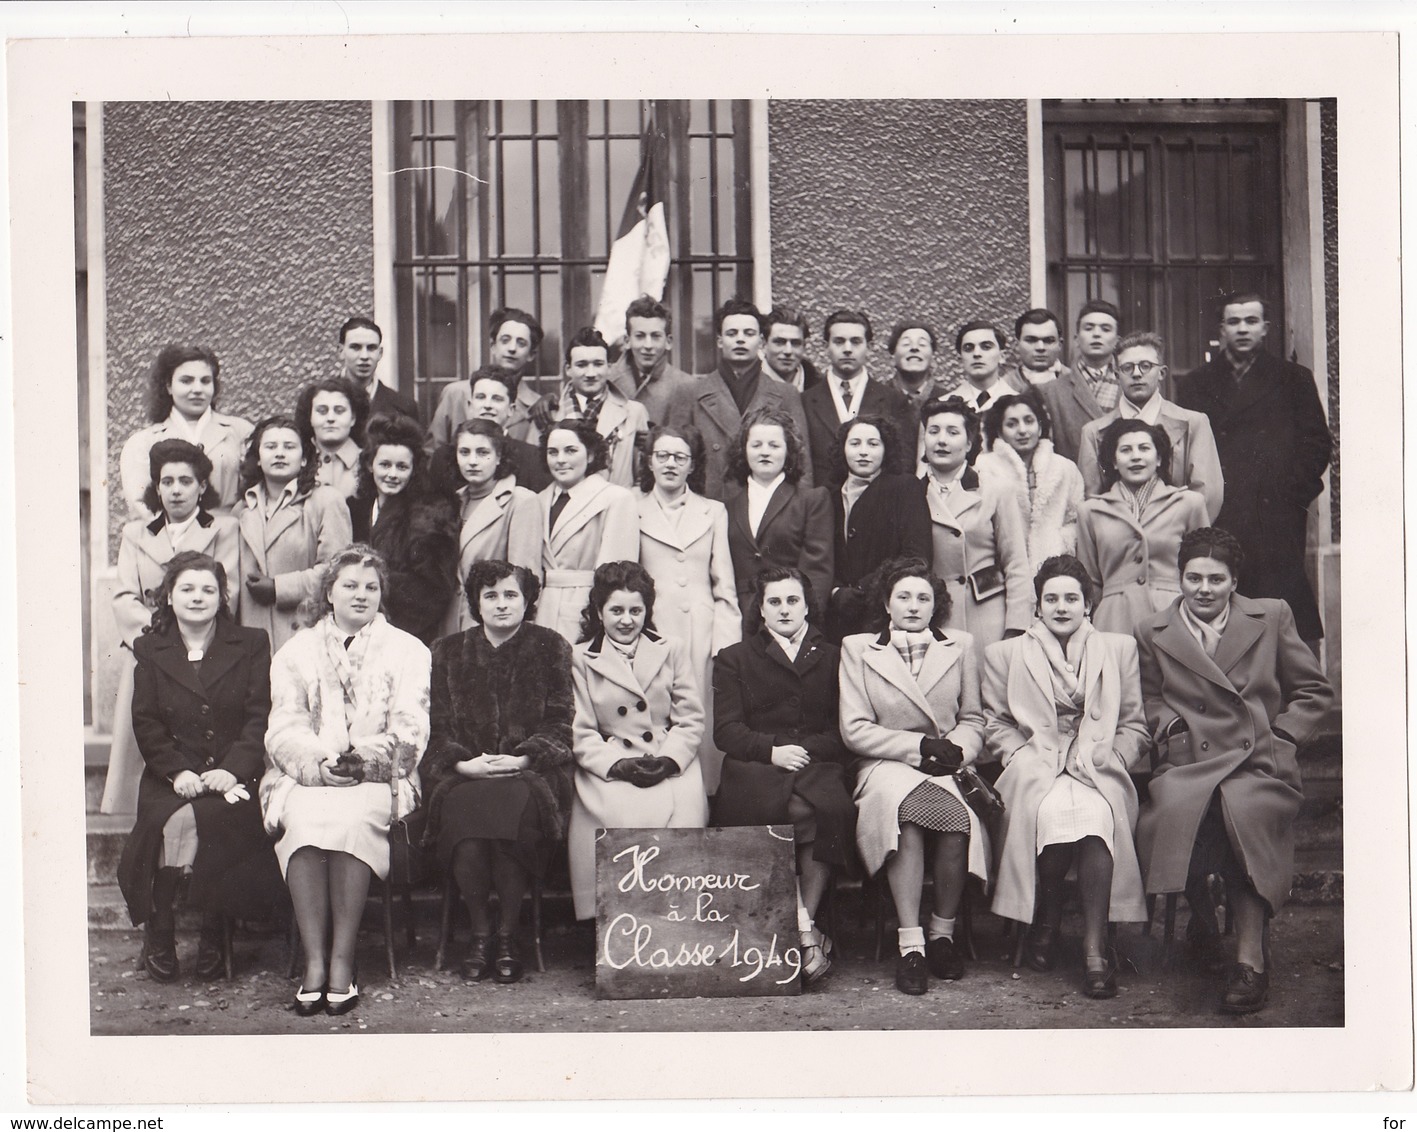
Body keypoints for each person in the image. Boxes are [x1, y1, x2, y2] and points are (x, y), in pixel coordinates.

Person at [1134, 527, 1333, 1014]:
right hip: (1189, 763)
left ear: (1234, 581)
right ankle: (1203, 922)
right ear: (1178, 577)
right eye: (1193, 577)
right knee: (1180, 817)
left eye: (1216, 580)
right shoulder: (1152, 630)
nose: (1204, 589)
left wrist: (1282, 738)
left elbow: (1313, 692)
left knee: (1240, 814)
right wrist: (1173, 727)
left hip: (1257, 762)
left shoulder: (1271, 616)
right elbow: (1149, 698)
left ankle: (1249, 960)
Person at [262, 545, 431, 1016]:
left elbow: (412, 726)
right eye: (350, 586)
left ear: (382, 595)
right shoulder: (295, 652)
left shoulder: (408, 650)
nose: (361, 595)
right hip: (310, 776)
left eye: (371, 587)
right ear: (329, 593)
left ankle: (343, 959)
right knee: (304, 819)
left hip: (381, 778)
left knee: (354, 820)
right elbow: (284, 726)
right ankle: (314, 962)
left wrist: (362, 763)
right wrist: (318, 766)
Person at [982, 555, 1150, 998]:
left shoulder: (1118, 649)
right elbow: (994, 723)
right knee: (1051, 814)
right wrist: (1020, 755)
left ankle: (1094, 947)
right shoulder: (1006, 653)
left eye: (1071, 598)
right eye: (1050, 598)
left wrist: (1111, 756)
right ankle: (1047, 918)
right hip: (1038, 767)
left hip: (1095, 768)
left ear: (1088, 605)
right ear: (1036, 607)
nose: (1061, 607)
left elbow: (1135, 724)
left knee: (1097, 820)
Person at [115, 552, 279, 982]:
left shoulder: (251, 643)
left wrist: (234, 769)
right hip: (171, 777)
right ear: (169, 596)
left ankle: (214, 929)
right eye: (187, 588)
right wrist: (177, 772)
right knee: (170, 822)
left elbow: (258, 716)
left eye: (208, 589)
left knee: (218, 822)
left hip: (232, 776)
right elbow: (146, 721)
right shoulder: (150, 649)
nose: (197, 597)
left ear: (221, 597)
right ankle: (160, 929)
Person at [839, 557, 990, 995]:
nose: (913, 605)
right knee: (905, 814)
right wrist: (918, 747)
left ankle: (942, 935)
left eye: (923, 597)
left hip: (947, 764)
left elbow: (974, 718)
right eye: (902, 596)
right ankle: (911, 945)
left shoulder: (959, 645)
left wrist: (955, 750)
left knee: (958, 820)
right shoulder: (858, 648)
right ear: (886, 604)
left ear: (935, 605)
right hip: (887, 764)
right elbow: (855, 728)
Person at [422, 561, 575, 983]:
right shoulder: (447, 651)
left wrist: (524, 758)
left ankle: (508, 935)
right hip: (465, 774)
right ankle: (480, 934)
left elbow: (562, 724)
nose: (501, 604)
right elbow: (436, 725)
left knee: (515, 816)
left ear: (528, 601)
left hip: (531, 774)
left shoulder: (552, 646)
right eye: (490, 596)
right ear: (475, 602)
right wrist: (461, 762)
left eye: (511, 595)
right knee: (467, 825)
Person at [712, 567, 856, 986]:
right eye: (774, 601)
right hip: (756, 766)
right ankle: (803, 931)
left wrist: (805, 751)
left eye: (792, 600)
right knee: (779, 810)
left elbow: (841, 729)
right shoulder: (734, 658)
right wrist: (772, 750)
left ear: (807, 605)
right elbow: (727, 731)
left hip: (815, 762)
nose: (784, 609)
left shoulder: (833, 656)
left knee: (826, 810)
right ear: (761, 609)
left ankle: (800, 922)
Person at [1173, 293, 1332, 645]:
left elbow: (1317, 443)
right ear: (1221, 329)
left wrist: (1290, 495)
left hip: (1274, 514)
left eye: (1251, 321)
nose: (1242, 329)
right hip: (1220, 514)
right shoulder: (1195, 384)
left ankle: (1293, 690)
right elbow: (1181, 449)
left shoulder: (1293, 379)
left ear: (1265, 329)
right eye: (1234, 322)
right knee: (1222, 607)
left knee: (1279, 608)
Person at [101, 440, 242, 815]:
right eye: (167, 482)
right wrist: (162, 636)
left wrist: (187, 629)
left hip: (203, 649)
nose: (176, 490)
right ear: (156, 487)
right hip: (152, 648)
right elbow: (125, 597)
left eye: (185, 480)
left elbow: (229, 591)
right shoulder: (136, 533)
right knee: (147, 732)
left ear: (201, 487)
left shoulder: (224, 529)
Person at [568, 561, 708, 921]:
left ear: (647, 610)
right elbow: (580, 731)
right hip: (612, 759)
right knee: (613, 813)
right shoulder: (581, 657)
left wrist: (670, 760)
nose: (626, 620)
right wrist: (615, 765)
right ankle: (618, 924)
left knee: (685, 814)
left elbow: (690, 718)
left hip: (667, 754)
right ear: (599, 612)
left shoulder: (670, 649)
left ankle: (676, 920)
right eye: (616, 610)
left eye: (636, 610)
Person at [635, 424, 741, 792]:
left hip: (701, 631)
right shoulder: (631, 509)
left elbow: (723, 584)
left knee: (701, 714)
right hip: (650, 630)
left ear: (692, 465)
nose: (670, 464)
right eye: (662, 456)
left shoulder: (713, 511)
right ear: (649, 462)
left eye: (679, 457)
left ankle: (705, 798)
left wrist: (726, 645)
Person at [231, 415, 353, 653]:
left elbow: (338, 573)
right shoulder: (243, 509)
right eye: (270, 447)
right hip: (253, 640)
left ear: (305, 458)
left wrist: (279, 588)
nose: (279, 453)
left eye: (289, 447)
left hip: (306, 634)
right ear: (257, 459)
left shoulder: (326, 501)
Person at [918, 396, 1032, 648]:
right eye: (933, 431)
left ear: (969, 443)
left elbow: (1016, 562)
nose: (942, 440)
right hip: (933, 617)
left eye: (953, 432)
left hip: (987, 615)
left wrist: (1016, 626)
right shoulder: (911, 494)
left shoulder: (995, 490)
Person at [1076, 419, 1209, 635]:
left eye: (1144, 448)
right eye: (1126, 450)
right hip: (1113, 622)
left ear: (1158, 459)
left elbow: (1205, 569)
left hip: (1176, 617)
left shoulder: (1189, 503)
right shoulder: (1090, 511)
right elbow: (1090, 581)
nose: (1136, 456)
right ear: (1114, 462)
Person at [1077, 332, 1224, 518]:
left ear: (1161, 373)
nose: (1137, 374)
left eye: (1145, 366)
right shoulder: (1093, 432)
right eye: (1127, 368)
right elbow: (1092, 502)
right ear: (1116, 375)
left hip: (1177, 540)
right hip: (1118, 543)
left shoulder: (1193, 423)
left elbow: (1207, 496)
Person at [686, 298, 814, 501]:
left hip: (770, 511)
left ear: (762, 342)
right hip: (709, 507)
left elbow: (802, 466)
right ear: (719, 341)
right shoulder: (693, 392)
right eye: (732, 333)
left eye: (749, 333)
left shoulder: (786, 394)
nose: (740, 340)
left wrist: (800, 515)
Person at [348, 413, 459, 646]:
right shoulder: (356, 508)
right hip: (358, 632)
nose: (392, 474)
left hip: (406, 636)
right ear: (370, 465)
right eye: (385, 465)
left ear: (413, 470)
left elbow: (433, 590)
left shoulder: (428, 516)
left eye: (402, 467)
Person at [827, 415, 931, 642]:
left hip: (885, 613)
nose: (863, 451)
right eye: (855, 443)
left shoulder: (904, 487)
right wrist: (836, 592)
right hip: (839, 616)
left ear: (886, 449)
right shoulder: (830, 495)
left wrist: (863, 589)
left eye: (873, 444)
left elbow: (915, 556)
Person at [534, 421, 640, 643]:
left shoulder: (615, 498)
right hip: (540, 611)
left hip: (584, 611)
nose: (560, 459)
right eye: (553, 452)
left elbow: (615, 577)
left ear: (591, 455)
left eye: (571, 451)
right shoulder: (538, 500)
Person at [119, 344, 253, 520]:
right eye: (186, 380)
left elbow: (254, 495)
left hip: (228, 539)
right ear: (168, 386)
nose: (197, 389)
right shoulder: (143, 443)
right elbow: (141, 506)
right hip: (167, 542)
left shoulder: (241, 433)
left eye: (205, 381)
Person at [724, 407, 833, 622]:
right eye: (756, 445)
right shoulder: (727, 506)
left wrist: (804, 625)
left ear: (788, 451)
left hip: (792, 620)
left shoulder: (811, 500)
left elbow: (817, 572)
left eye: (774, 445)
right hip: (740, 621)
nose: (765, 452)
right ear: (743, 451)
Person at [443, 418, 541, 635]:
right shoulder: (453, 501)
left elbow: (523, 577)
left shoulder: (520, 501)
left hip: (495, 625)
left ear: (499, 457)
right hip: (451, 622)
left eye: (482, 452)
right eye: (465, 452)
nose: (473, 461)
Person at [801, 309, 917, 488]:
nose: (847, 349)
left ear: (868, 347)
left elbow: (904, 464)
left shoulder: (894, 400)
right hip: (823, 507)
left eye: (856, 342)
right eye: (839, 341)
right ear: (826, 347)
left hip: (877, 504)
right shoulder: (806, 401)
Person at [975, 390, 1085, 574]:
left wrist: (1060, 543)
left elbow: (1075, 519)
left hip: (1055, 570)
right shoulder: (984, 468)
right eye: (1012, 424)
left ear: (1040, 426)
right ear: (999, 431)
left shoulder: (1064, 468)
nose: (1023, 430)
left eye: (1029, 421)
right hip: (1003, 570)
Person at [536, 327, 649, 488]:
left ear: (609, 367)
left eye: (598, 364)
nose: (590, 373)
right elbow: (539, 473)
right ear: (568, 369)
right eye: (582, 365)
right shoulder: (549, 413)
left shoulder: (634, 412)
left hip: (617, 507)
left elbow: (642, 476)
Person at [428, 308, 544, 449]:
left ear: (531, 354)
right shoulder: (456, 394)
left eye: (521, 343)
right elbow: (433, 453)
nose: (512, 348)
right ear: (493, 346)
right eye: (505, 340)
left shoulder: (537, 406)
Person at [426, 366, 550, 491]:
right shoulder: (443, 457)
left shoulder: (532, 459)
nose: (487, 405)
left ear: (511, 409)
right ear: (470, 406)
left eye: (497, 399)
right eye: (480, 397)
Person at [1037, 300, 1122, 462]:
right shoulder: (1050, 392)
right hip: (1073, 482)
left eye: (1105, 329)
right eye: (1089, 328)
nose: (1096, 334)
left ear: (1117, 341)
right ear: (1076, 339)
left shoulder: (1131, 385)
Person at [606, 295, 698, 428]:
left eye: (655, 336)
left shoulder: (686, 386)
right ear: (627, 341)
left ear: (668, 342)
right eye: (640, 336)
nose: (648, 345)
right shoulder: (607, 379)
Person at [295, 376, 371, 501]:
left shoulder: (369, 463)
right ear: (310, 417)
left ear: (353, 418)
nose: (330, 418)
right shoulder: (297, 461)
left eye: (339, 411)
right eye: (322, 411)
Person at [336, 316, 421, 426]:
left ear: (380, 353)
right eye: (356, 347)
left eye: (371, 348)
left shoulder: (404, 407)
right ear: (341, 351)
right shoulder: (317, 401)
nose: (364, 356)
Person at [950, 320, 1028, 414]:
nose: (977, 354)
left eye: (986, 347)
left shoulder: (1021, 406)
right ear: (960, 358)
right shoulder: (944, 405)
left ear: (1002, 356)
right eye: (968, 348)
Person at [886, 319, 949, 414]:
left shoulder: (947, 401)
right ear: (892, 358)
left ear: (933, 358)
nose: (914, 348)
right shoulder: (875, 398)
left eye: (922, 344)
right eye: (906, 344)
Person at [761, 305, 821, 392]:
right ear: (763, 344)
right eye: (779, 342)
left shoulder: (824, 389)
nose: (788, 351)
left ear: (804, 346)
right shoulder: (745, 386)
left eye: (795, 343)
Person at [1009, 308, 1070, 387]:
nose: (1040, 348)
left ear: (1060, 345)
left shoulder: (1078, 382)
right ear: (1016, 345)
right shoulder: (1004, 387)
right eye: (1031, 340)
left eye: (1048, 341)